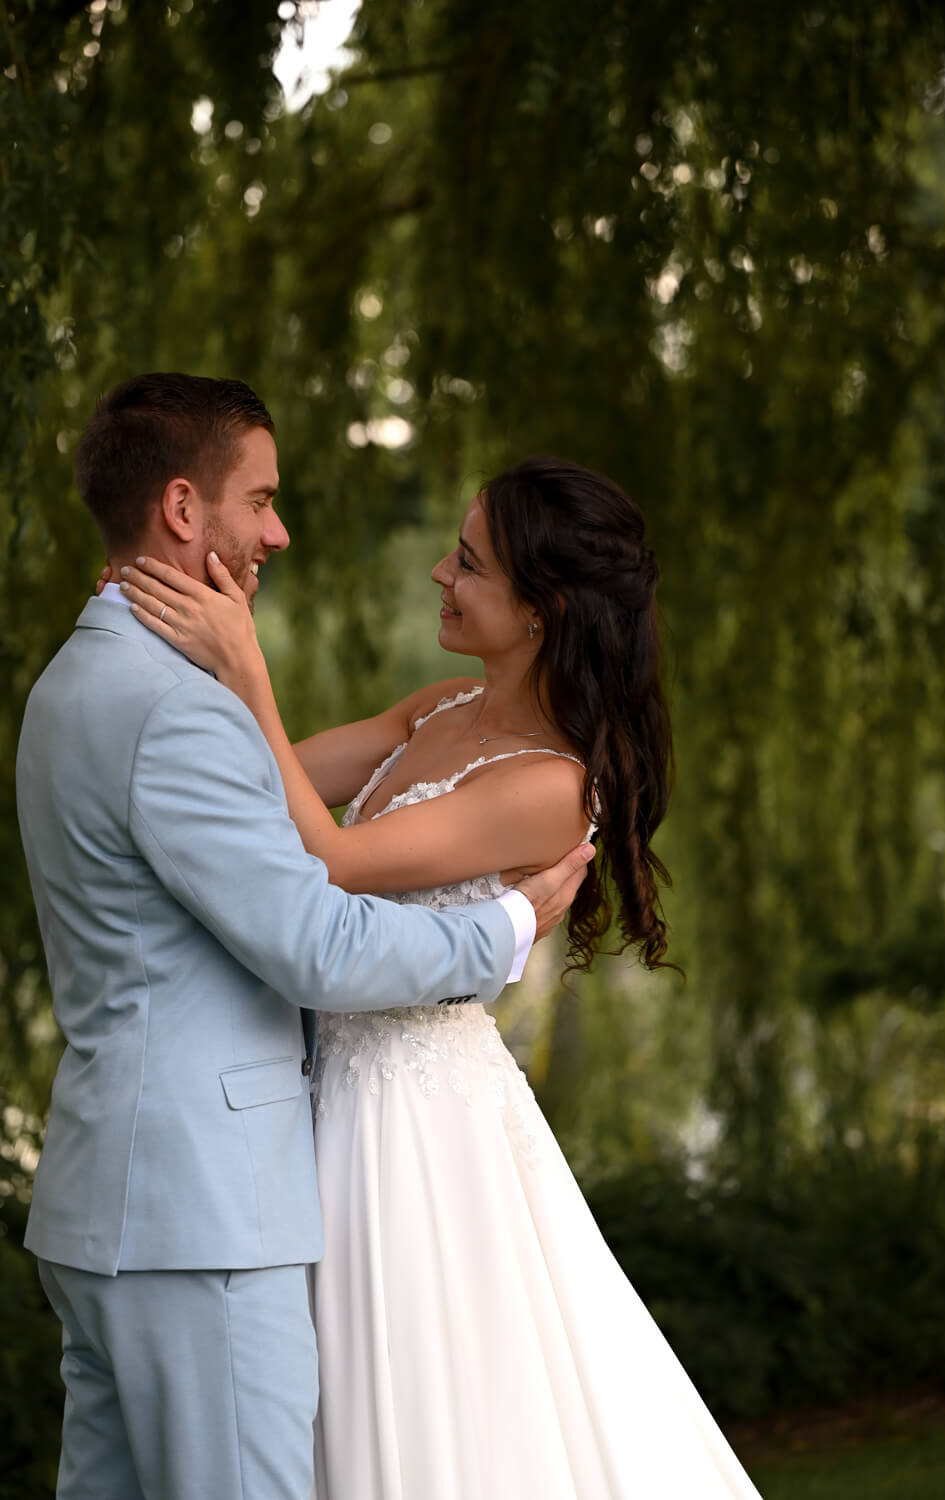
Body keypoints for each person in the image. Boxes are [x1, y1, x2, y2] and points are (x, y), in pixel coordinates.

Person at [121, 455, 763, 1499]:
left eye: (467, 564)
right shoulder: (435, 711)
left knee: (415, 1398)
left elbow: (326, 859)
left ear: (541, 612)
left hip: (410, 1126)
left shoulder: (548, 788)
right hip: (319, 1088)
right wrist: (201, 628)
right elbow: (259, 775)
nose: (437, 573)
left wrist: (248, 666)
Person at [16, 373, 593, 1500]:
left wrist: (237, 671)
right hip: (200, 1222)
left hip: (113, 1210)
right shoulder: (178, 707)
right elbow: (319, 943)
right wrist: (505, 928)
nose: (278, 530)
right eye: (262, 500)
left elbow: (297, 808)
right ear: (185, 511)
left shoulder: (80, 676)